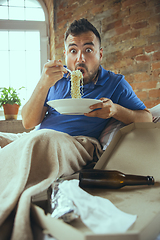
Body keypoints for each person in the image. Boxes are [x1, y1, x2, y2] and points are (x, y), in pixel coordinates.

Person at [21, 18, 152, 140]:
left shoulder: (115, 83)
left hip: (75, 144)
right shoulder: (54, 79)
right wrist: (43, 84)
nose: (80, 58)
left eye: (88, 50)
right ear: (65, 55)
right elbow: (28, 122)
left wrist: (116, 110)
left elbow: (147, 118)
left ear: (100, 55)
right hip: (37, 137)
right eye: (73, 51)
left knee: (38, 142)